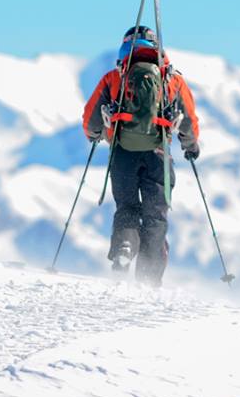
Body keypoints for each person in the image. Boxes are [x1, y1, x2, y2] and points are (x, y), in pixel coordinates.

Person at [82, 25, 200, 286]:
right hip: (159, 154)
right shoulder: (172, 80)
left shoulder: (115, 78)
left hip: (123, 153)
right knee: (156, 215)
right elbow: (189, 118)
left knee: (127, 207)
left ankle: (124, 247)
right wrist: (191, 146)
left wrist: (95, 135)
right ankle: (149, 276)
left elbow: (91, 119)